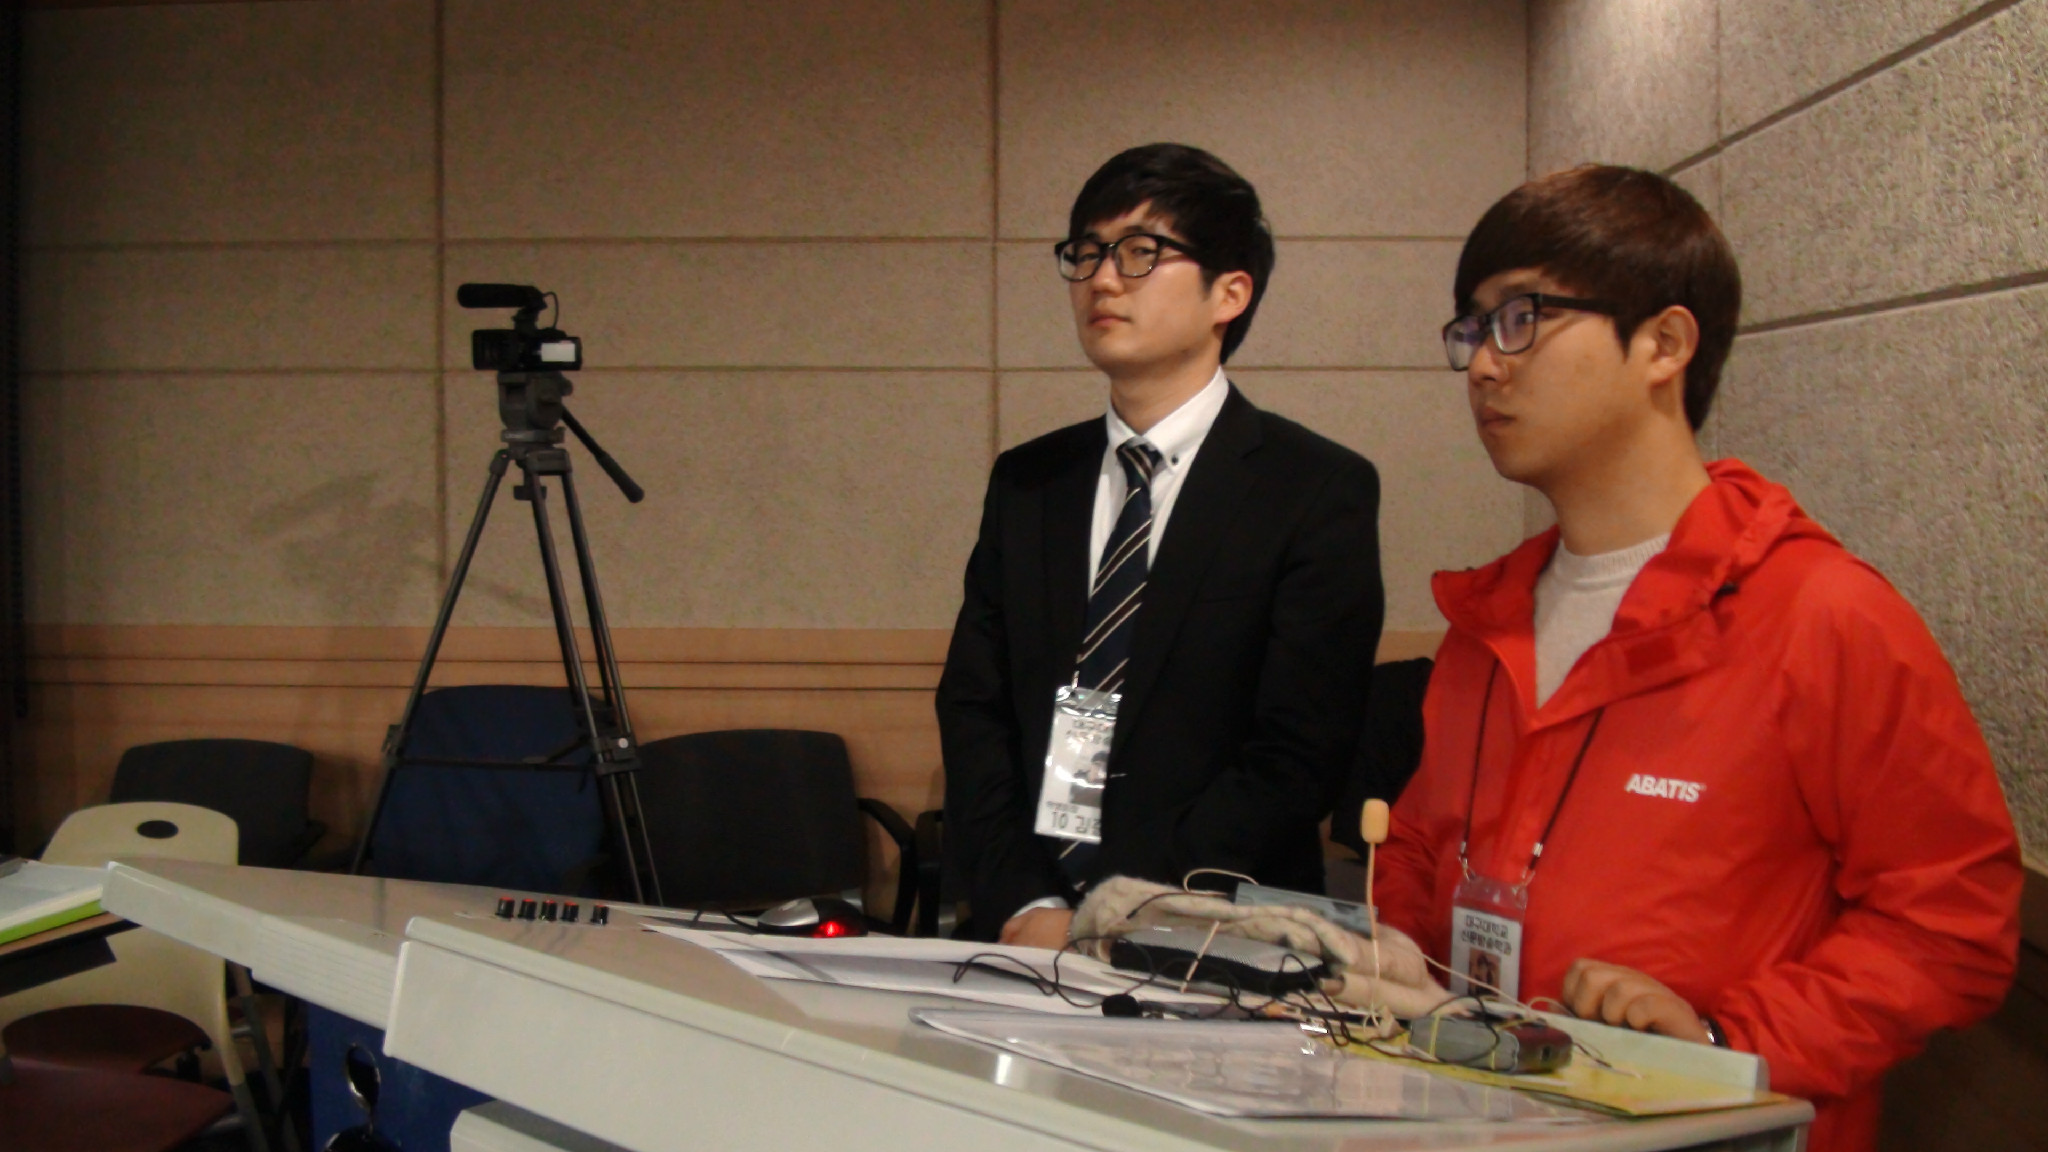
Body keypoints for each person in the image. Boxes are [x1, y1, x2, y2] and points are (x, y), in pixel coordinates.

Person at [1371, 164, 2020, 1152]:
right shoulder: (1484, 624)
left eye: (1522, 319)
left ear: (1664, 345)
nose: (1484, 367)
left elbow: (1953, 925)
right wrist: (1391, 950)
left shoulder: (1821, 616)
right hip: (1481, 1120)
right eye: (1473, 328)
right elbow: (1425, 847)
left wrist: (1723, 1042)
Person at [936, 143, 1384, 948]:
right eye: (1086, 253)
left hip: (1212, 930)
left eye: (1141, 252)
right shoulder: (1030, 482)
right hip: (1031, 926)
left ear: (1230, 293)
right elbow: (977, 707)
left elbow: (1298, 752)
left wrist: (1114, 912)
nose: (1103, 280)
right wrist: (1024, 900)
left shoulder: (1314, 487)